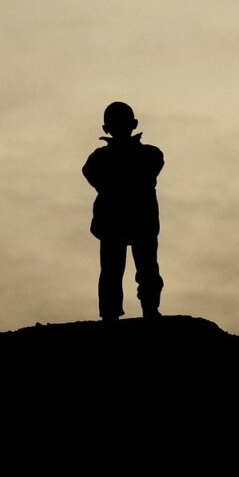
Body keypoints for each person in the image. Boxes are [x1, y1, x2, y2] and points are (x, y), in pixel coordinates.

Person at [82, 102, 164, 321]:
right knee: (114, 270)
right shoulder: (100, 159)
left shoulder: (150, 155)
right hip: (119, 221)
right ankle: (114, 313)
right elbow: (91, 174)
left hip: (135, 220)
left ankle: (147, 309)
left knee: (142, 268)